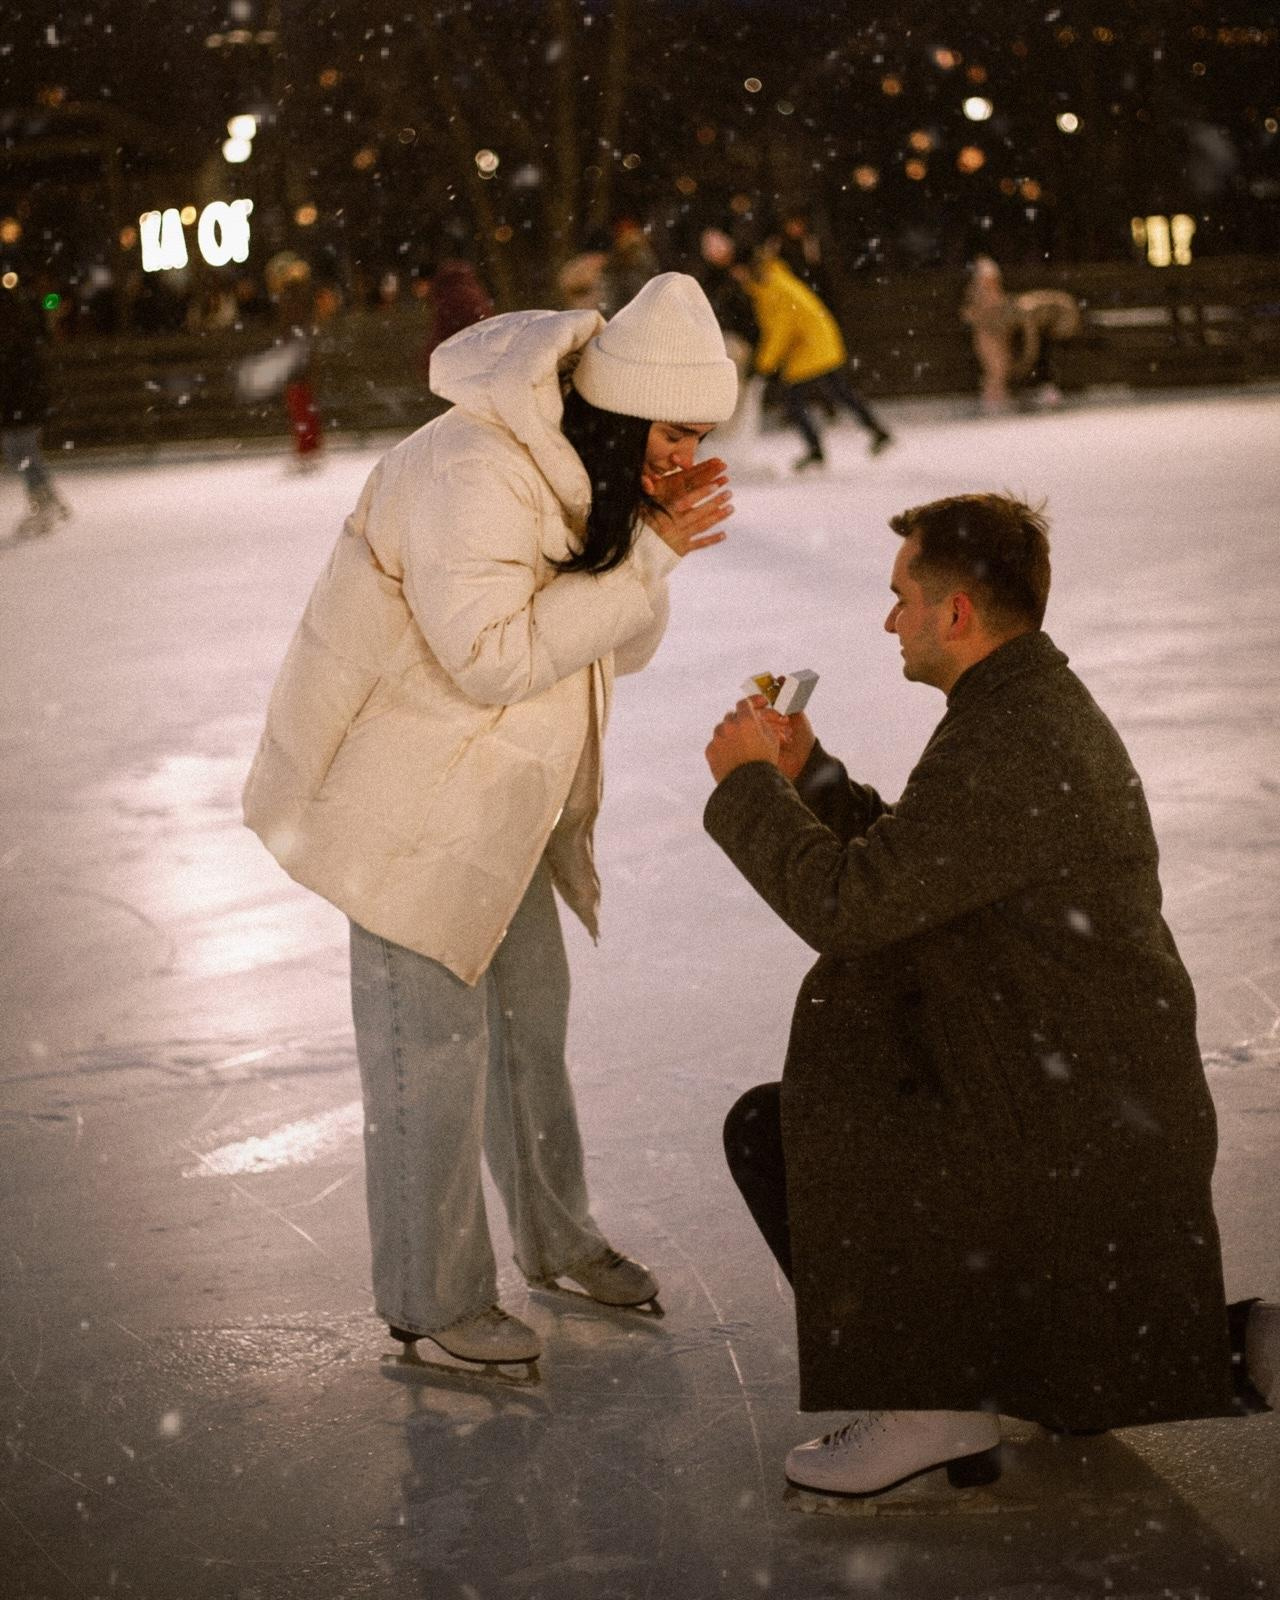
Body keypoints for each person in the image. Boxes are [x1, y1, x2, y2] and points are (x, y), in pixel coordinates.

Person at [702, 493, 1278, 1497]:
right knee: (789, 1121)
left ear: (956, 612)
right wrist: (811, 777)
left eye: (901, 598)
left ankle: (935, 1400)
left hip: (1062, 1120)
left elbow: (852, 906)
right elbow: (929, 865)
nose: (889, 620)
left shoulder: (1012, 738)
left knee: (783, 1128)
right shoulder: (1019, 711)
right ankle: (1140, 1357)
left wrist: (749, 787)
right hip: (1064, 1097)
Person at [244, 273, 738, 1367]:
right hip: (399, 803)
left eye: (698, 439)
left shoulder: (578, 472)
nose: (682, 455)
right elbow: (490, 658)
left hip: (497, 802)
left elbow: (620, 646)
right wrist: (647, 551)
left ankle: (555, 1238)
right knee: (429, 1059)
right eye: (672, 434)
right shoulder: (473, 470)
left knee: (527, 1032)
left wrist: (646, 540)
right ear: (619, 412)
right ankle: (431, 1300)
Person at [735, 246, 892, 471]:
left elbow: (780, 331)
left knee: (795, 400)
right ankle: (877, 432)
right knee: (839, 392)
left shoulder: (772, 288)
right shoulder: (771, 281)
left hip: (811, 346)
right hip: (815, 342)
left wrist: (763, 365)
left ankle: (817, 450)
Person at [0, 284, 70, 540]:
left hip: (22, 407)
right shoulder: (17, 337)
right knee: (20, 453)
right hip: (17, 407)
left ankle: (43, 501)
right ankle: (47, 498)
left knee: (23, 453)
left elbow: (24, 376)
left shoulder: (16, 340)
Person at [418, 258, 494, 379]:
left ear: (427, 281)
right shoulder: (459, 285)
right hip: (484, 351)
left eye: (419, 285)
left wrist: (428, 363)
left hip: (471, 357)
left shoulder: (448, 296)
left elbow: (443, 331)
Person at [961, 255, 1014, 414]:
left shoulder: (997, 295)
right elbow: (968, 314)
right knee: (994, 369)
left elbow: (1003, 312)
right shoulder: (977, 295)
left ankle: (998, 400)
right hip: (986, 335)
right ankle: (992, 402)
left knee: (1002, 368)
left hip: (998, 334)